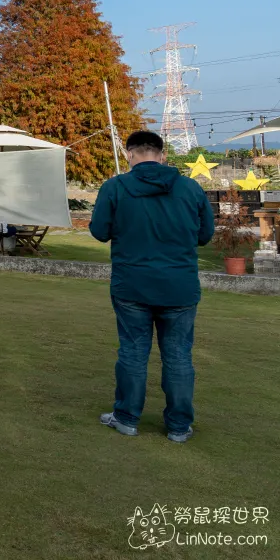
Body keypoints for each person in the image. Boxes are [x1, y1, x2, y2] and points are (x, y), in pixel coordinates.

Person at [90, 130, 214, 443]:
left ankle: (127, 418)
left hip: (132, 285)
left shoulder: (115, 187)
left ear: (129, 154)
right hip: (179, 286)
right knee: (178, 355)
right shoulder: (190, 188)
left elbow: (99, 231)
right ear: (162, 155)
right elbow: (204, 235)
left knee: (133, 351)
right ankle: (179, 426)